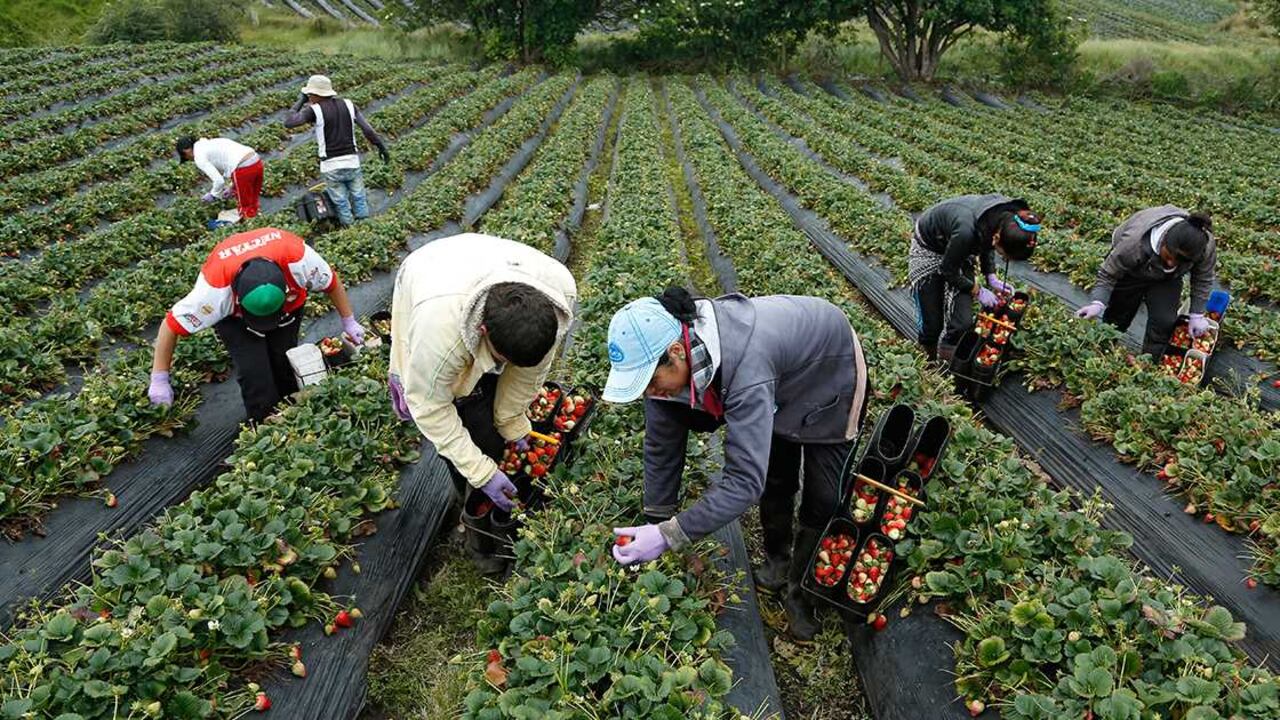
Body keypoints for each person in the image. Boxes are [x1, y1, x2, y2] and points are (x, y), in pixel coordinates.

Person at [602, 288, 869, 641]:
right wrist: (656, 521)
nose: (651, 392)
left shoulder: (747, 368)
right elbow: (661, 446)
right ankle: (778, 561)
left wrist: (669, 536)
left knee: (823, 497)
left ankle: (802, 594)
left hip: (829, 370)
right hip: (780, 378)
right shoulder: (667, 365)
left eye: (651, 381)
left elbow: (744, 483)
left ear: (677, 353)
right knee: (776, 474)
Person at [387, 233, 577, 566]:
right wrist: (482, 472)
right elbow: (431, 408)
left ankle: (486, 450)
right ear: (483, 331)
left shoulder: (559, 296)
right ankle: (469, 500)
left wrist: (511, 420)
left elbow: (529, 372)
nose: (506, 367)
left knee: (493, 408)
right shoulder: (439, 334)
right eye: (501, 358)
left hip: (485, 263)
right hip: (432, 272)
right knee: (460, 404)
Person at [148, 226, 364, 422]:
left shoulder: (300, 261)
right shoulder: (214, 292)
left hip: (287, 311)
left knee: (284, 358)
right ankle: (264, 422)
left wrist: (349, 321)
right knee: (254, 373)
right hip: (237, 322)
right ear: (238, 298)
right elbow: (170, 325)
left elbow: (332, 282)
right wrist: (159, 378)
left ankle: (294, 409)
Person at [909, 194, 1041, 361]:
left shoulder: (1003, 219)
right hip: (931, 247)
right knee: (932, 323)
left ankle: (949, 356)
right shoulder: (966, 231)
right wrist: (977, 291)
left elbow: (987, 244)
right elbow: (947, 270)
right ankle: (928, 357)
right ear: (997, 238)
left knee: (962, 322)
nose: (1003, 257)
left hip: (959, 248)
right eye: (1004, 254)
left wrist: (990, 276)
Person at [1075, 207, 1217, 357]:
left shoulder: (1204, 246)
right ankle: (1102, 349)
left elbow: (1203, 279)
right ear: (1163, 240)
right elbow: (1108, 274)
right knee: (1118, 314)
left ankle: (1149, 362)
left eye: (1178, 262)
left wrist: (1197, 314)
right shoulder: (1133, 244)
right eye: (1168, 256)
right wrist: (1097, 303)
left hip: (1167, 279)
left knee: (1164, 321)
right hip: (1132, 271)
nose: (1170, 263)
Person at [283, 74, 390, 227]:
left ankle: (350, 230)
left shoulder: (314, 110)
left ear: (314, 94)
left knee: (341, 202)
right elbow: (368, 130)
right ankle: (366, 227)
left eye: (310, 94)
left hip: (331, 166)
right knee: (359, 196)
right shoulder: (348, 104)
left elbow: (289, 122)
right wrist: (381, 147)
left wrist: (300, 101)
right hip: (352, 162)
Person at [176, 135, 263, 220]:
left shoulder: (199, 156)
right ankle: (259, 223)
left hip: (243, 168)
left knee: (245, 207)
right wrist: (233, 187)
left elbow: (219, 181)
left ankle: (249, 228)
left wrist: (213, 195)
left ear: (186, 151)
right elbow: (227, 162)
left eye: (185, 157)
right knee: (253, 201)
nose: (189, 159)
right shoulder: (210, 144)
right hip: (256, 161)